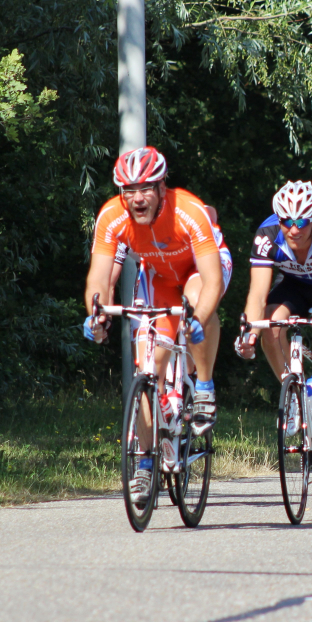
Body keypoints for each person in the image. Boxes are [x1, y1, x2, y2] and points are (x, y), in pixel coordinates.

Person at [83, 147, 228, 502]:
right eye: (128, 190)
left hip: (199, 269)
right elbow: (100, 278)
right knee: (148, 368)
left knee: (195, 305)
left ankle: (204, 385)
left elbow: (212, 280)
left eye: (145, 188)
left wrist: (200, 318)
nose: (136, 198)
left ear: (162, 187)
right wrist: (96, 314)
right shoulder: (111, 217)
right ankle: (145, 465)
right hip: (159, 276)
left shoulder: (188, 211)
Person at [235, 181, 312, 492]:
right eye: (286, 221)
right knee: (269, 328)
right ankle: (293, 393)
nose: (293, 228)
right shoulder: (267, 235)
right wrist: (250, 331)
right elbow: (258, 293)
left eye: (302, 221)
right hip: (294, 290)